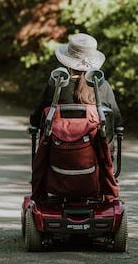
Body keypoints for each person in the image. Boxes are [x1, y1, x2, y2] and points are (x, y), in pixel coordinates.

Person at [29, 33, 122, 201]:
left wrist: (34, 125)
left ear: (67, 61)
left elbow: (36, 118)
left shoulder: (56, 86)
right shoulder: (102, 87)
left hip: (58, 155)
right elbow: (116, 120)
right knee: (106, 142)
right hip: (96, 155)